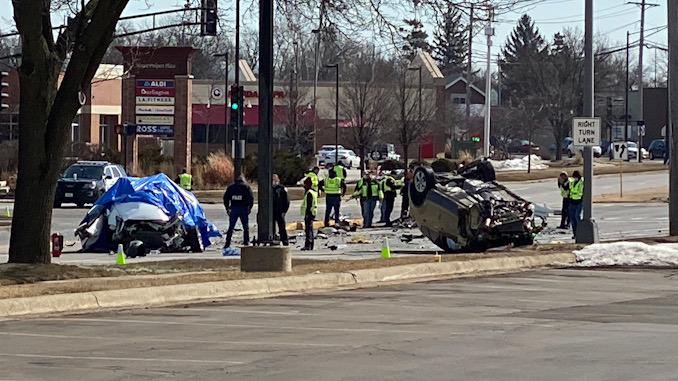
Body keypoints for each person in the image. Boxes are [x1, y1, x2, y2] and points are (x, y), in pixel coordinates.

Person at [223, 175, 254, 248]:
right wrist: (249, 208)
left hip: (234, 208)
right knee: (245, 227)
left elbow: (226, 198)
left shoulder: (231, 187)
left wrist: (227, 208)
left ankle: (227, 243)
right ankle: (246, 241)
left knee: (231, 227)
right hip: (243, 208)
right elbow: (251, 198)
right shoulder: (246, 187)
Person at [272, 174, 290, 246]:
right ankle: (273, 239)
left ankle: (285, 241)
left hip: (280, 212)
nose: (274, 182)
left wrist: (284, 211)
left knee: (282, 227)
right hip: (272, 211)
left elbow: (286, 201)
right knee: (272, 228)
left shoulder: (282, 189)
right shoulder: (270, 189)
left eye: (275, 180)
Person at [300, 177, 318, 251]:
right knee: (310, 229)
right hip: (312, 213)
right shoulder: (313, 192)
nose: (304, 186)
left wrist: (307, 214)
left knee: (308, 230)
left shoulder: (309, 193)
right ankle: (310, 245)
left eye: (305, 184)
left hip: (309, 213)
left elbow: (309, 204)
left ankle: (308, 245)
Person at [567, 170, 584, 237]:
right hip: (572, 201)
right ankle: (575, 233)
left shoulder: (582, 182)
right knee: (572, 218)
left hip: (579, 202)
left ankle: (580, 232)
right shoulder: (572, 181)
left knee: (577, 217)